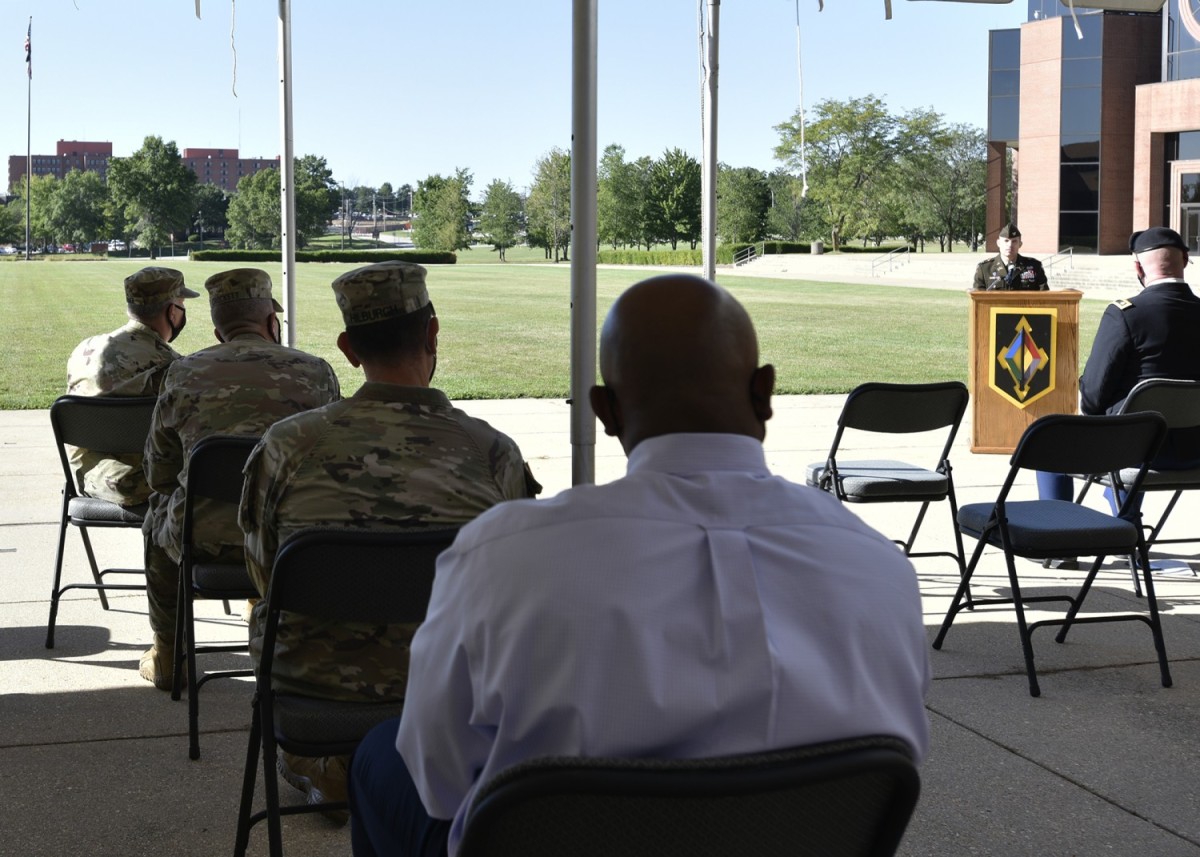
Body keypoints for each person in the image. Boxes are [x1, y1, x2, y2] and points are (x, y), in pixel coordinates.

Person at [347, 274, 931, 857]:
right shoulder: (880, 569)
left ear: (605, 410)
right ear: (764, 391)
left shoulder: (499, 558)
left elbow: (440, 781)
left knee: (380, 753)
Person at [239, 260, 540, 812]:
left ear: (349, 349)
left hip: (313, 682)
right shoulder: (492, 453)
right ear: (432, 333)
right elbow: (519, 587)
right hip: (458, 692)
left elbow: (264, 573)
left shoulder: (287, 447)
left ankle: (335, 766)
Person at [139, 268, 340, 691]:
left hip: (204, 538)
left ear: (217, 330)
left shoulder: (182, 374)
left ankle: (168, 657)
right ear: (272, 322)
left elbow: (158, 473)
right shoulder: (316, 373)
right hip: (288, 542)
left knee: (157, 518)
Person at [1038, 226, 1200, 523]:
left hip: (1134, 450)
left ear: (1137, 266)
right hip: (1196, 450)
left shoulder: (1126, 314)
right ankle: (1125, 521)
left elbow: (1092, 399)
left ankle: (1058, 534)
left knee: (1047, 439)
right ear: (1186, 260)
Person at [65, 266, 198, 508]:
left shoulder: (83, 350)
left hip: (89, 478)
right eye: (182, 304)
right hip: (150, 486)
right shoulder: (171, 367)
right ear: (172, 311)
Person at [972, 223, 1048, 291]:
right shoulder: (985, 269)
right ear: (998, 243)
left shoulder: (1034, 266)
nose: (1010, 245)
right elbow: (978, 297)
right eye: (1006, 241)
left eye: (1014, 241)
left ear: (1020, 244)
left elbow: (1044, 295)